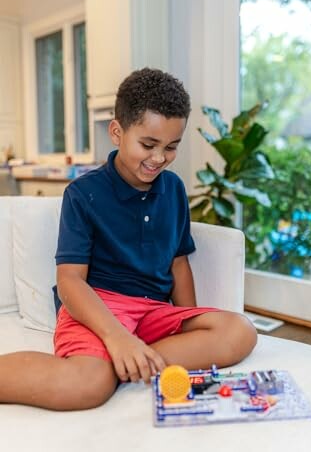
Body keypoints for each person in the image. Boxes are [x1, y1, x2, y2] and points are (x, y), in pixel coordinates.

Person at [0, 68, 257, 411]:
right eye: (148, 144)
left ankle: (127, 361)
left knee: (240, 331)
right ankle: (115, 359)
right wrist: (116, 337)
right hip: (99, 309)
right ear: (117, 133)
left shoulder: (175, 190)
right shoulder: (83, 194)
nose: (158, 158)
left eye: (171, 147)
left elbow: (178, 262)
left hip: (153, 312)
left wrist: (185, 324)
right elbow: (70, 282)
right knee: (87, 385)